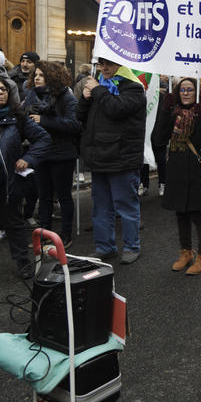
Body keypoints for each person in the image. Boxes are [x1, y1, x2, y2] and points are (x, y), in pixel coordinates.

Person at [0, 75, 51, 286]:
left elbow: (43, 139)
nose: (0, 93)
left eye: (3, 89)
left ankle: (23, 262)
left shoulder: (18, 117)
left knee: (14, 224)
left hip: (8, 183)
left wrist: (27, 158)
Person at [77, 57, 146, 263]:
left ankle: (132, 246)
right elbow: (80, 116)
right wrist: (85, 98)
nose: (103, 68)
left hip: (122, 158)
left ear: (121, 65)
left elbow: (116, 109)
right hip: (99, 157)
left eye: (109, 64)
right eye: (101, 64)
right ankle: (105, 247)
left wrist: (97, 90)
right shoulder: (100, 87)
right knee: (101, 208)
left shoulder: (134, 88)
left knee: (126, 206)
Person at [153, 78, 201, 275]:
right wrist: (165, 110)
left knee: (199, 215)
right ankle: (186, 252)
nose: (186, 93)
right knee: (180, 213)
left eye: (190, 89)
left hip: (197, 171)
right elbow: (158, 139)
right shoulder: (172, 113)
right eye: (182, 90)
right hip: (177, 169)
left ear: (197, 92)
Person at [22, 61, 81, 247]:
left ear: (52, 77)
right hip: (41, 153)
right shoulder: (31, 95)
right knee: (44, 196)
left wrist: (44, 120)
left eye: (41, 75)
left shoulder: (67, 97)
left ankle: (65, 235)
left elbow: (74, 125)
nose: (37, 78)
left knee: (63, 196)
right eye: (35, 75)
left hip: (62, 154)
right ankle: (44, 234)